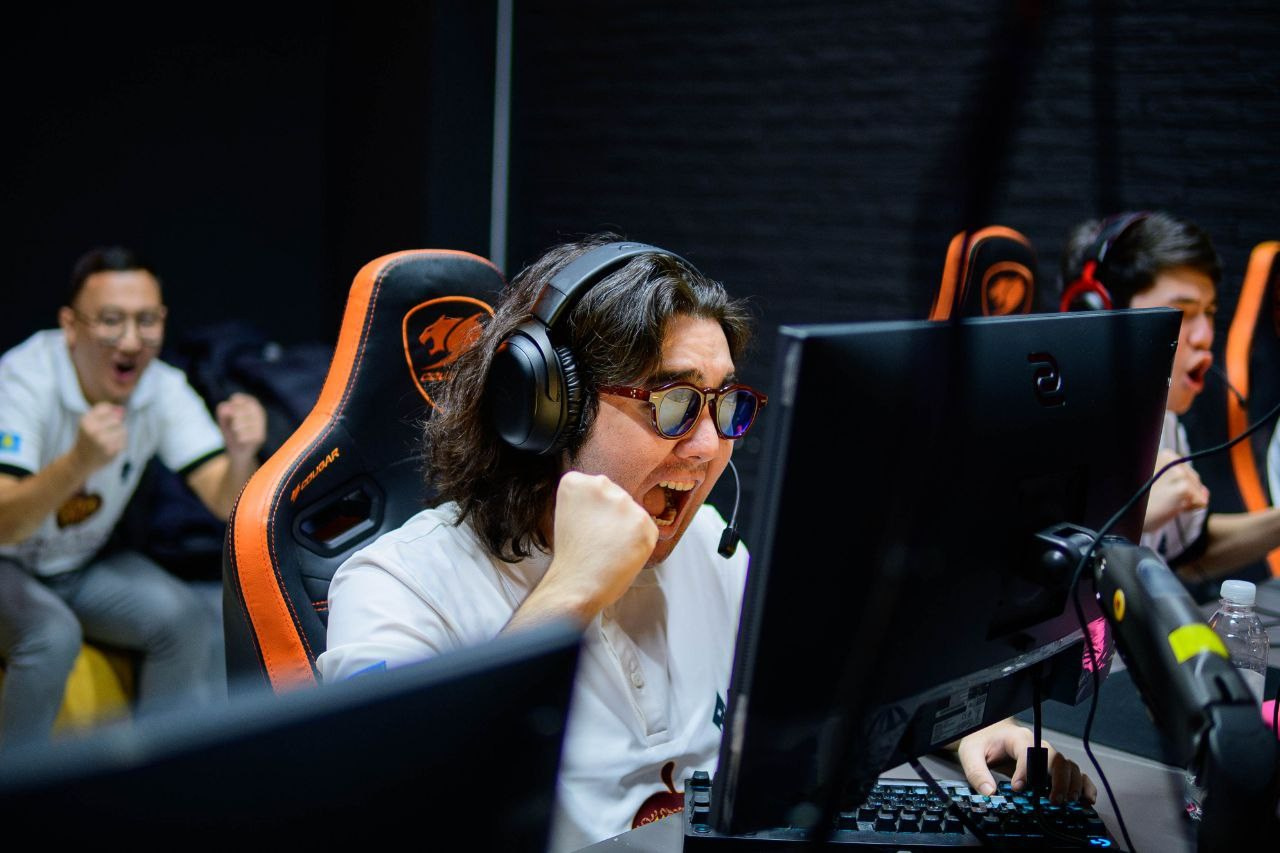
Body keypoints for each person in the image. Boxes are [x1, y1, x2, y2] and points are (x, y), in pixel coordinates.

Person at [320, 235, 1094, 849]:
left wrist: (958, 722)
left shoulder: (705, 543)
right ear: (545, 409)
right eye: (673, 402)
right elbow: (400, 823)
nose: (707, 447)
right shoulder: (396, 585)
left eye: (724, 405)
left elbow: (812, 695)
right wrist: (570, 591)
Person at [0, 246, 267, 747]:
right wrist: (77, 463)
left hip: (78, 564)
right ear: (70, 326)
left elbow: (225, 501)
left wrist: (240, 454)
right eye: (110, 321)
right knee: (51, 636)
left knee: (184, 620)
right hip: (6, 561)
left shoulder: (162, 387)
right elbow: (4, 523)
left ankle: (162, 779)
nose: (130, 341)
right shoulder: (23, 379)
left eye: (146, 321)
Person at [1061, 211, 1280, 580]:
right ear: (1100, 313)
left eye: (1209, 313)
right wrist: (1130, 517)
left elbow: (1193, 553)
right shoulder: (1055, 428)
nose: (1205, 336)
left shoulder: (1163, 420)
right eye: (1183, 313)